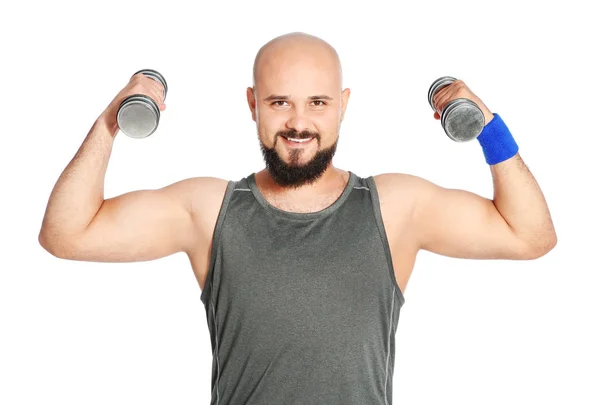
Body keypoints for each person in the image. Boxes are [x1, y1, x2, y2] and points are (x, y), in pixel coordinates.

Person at [38, 32, 557, 404]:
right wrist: (113, 119)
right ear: (253, 105)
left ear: (343, 106)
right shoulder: (209, 211)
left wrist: (486, 124)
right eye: (280, 102)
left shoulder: (394, 209)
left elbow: (530, 235)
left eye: (318, 102)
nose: (299, 123)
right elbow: (67, 234)